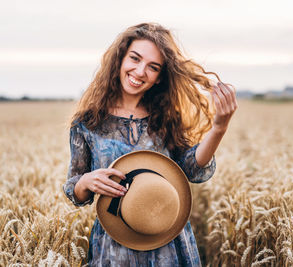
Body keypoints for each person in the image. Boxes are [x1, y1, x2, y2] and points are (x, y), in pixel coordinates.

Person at [63, 23, 237, 266]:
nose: (140, 71)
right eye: (135, 58)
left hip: (168, 241)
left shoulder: (167, 117)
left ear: (158, 79)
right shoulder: (88, 123)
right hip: (115, 248)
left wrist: (219, 127)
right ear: (120, 59)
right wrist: (85, 182)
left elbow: (192, 170)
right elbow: (75, 190)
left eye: (153, 67)